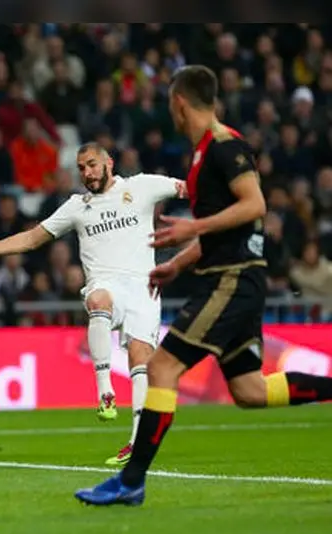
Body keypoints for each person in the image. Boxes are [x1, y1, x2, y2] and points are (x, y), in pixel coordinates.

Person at [76, 65, 332, 507]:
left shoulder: (224, 146)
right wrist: (177, 262)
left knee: (161, 368)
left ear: (179, 103)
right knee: (250, 390)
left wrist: (191, 228)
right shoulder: (200, 157)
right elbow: (222, 228)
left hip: (231, 278)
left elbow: (255, 205)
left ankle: (131, 481)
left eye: (170, 105)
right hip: (232, 275)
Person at [0, 143, 184, 465]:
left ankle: (136, 443)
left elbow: (188, 188)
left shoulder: (141, 186)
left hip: (144, 287)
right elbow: (31, 239)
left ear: (109, 163)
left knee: (140, 359)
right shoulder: (76, 206)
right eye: (81, 168)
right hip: (105, 282)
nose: (87, 173)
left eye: (91, 165)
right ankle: (104, 391)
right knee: (98, 300)